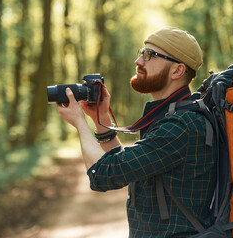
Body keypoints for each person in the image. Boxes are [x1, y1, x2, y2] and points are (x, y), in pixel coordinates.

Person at [57, 26, 216, 237]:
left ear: (177, 71)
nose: (138, 61)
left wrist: (79, 122)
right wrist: (101, 119)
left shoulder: (181, 126)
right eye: (141, 53)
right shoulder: (171, 117)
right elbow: (127, 168)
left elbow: (103, 174)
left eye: (150, 55)